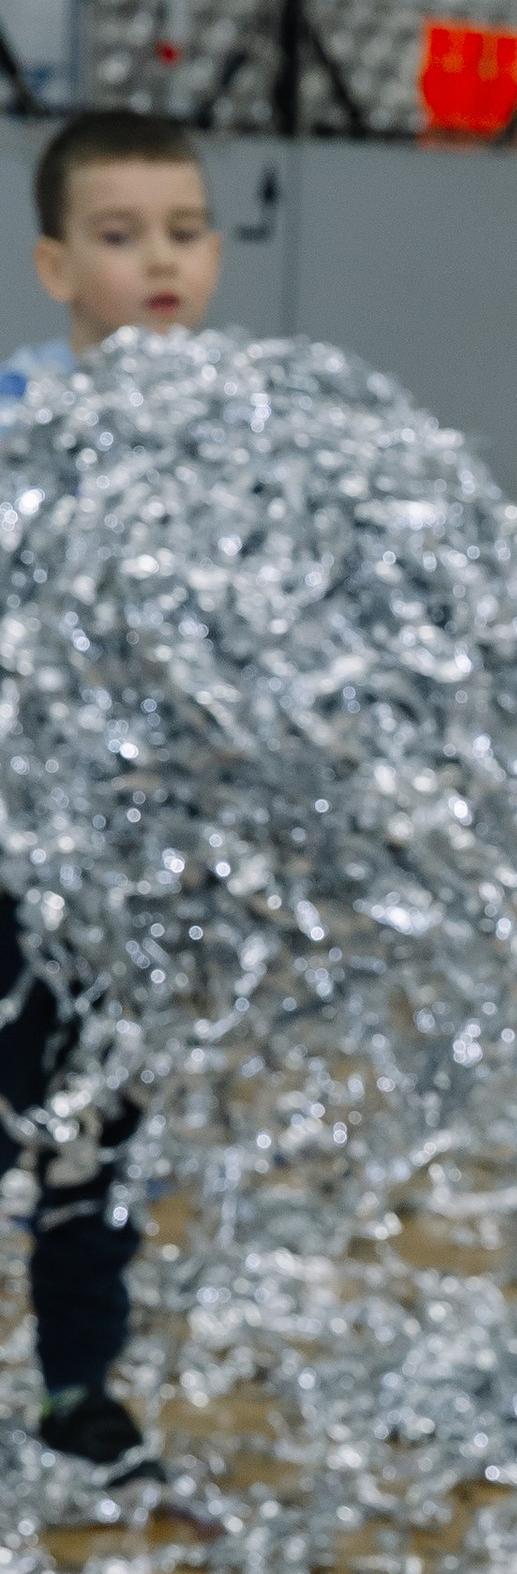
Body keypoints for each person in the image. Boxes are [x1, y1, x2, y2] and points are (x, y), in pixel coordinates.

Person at [0, 113, 222, 1474]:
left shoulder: (246, 442)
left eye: (187, 234)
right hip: (9, 849)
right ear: (53, 264)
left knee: (95, 1138)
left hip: (132, 882)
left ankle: (79, 1388)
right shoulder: (16, 426)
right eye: (121, 234)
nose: (161, 263)